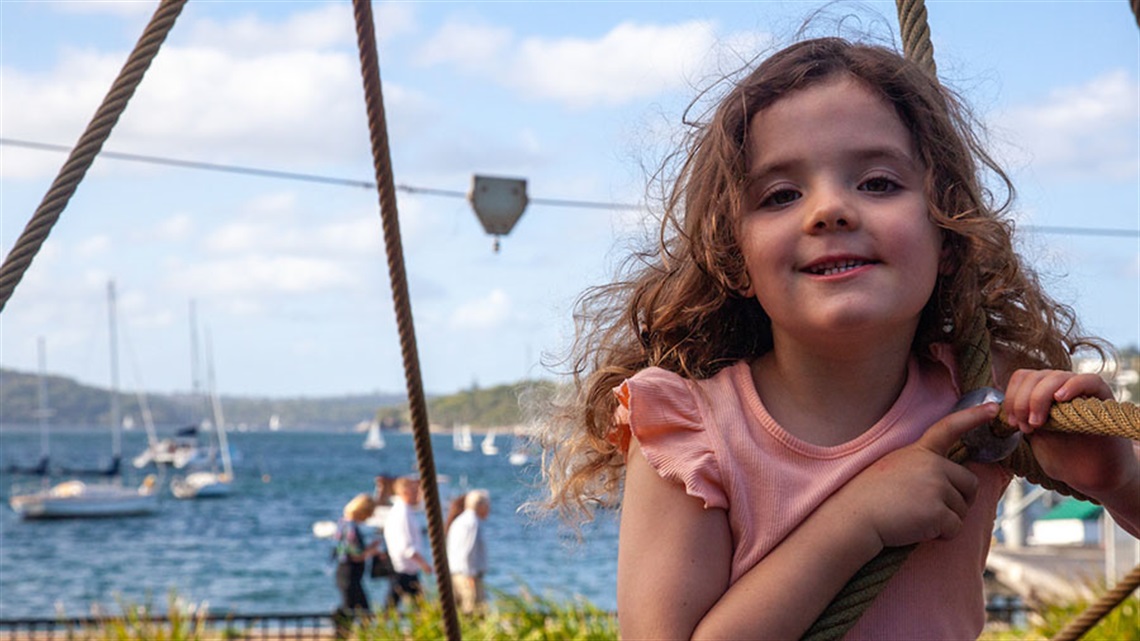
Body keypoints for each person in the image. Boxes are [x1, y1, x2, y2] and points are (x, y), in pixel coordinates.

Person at [538, 36, 1140, 640]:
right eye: (781, 196)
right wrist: (859, 520)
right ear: (733, 258)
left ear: (950, 237)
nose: (829, 210)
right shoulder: (692, 436)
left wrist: (1116, 482)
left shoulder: (984, 396)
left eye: (877, 184)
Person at [383, 475, 433, 610]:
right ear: (405, 492)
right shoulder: (402, 513)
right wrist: (423, 564)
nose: (418, 495)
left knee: (398, 606)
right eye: (415, 491)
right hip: (404, 568)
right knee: (394, 606)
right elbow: (406, 546)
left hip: (406, 567)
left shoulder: (404, 511)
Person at [332, 494, 381, 632]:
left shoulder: (344, 523)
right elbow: (355, 555)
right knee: (356, 612)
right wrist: (371, 551)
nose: (369, 518)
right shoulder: (350, 527)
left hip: (347, 575)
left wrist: (369, 548)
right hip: (349, 575)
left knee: (354, 610)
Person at [445, 490, 491, 615]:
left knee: (462, 612)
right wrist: (470, 575)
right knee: (473, 612)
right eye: (487, 506)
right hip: (468, 576)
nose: (489, 510)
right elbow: (467, 551)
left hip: (457, 573)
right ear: (480, 506)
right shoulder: (472, 523)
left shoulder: (460, 520)